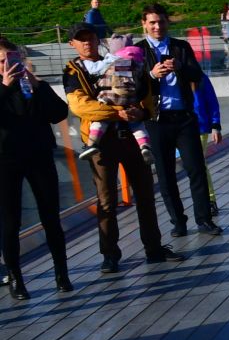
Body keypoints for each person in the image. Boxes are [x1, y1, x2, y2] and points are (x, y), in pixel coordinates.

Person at [61, 25, 181, 273]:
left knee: (146, 195)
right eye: (81, 40)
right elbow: (81, 106)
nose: (87, 43)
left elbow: (145, 92)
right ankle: (110, 254)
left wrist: (143, 110)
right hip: (100, 144)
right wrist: (119, 112)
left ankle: (154, 248)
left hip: (131, 138)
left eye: (91, 38)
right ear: (71, 43)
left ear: (98, 40)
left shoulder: (122, 60)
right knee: (106, 200)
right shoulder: (73, 71)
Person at [135, 4, 221, 237]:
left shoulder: (180, 47)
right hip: (157, 120)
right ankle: (178, 222)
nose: (157, 26)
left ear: (167, 23)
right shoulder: (138, 51)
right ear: (144, 24)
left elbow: (197, 76)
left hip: (184, 117)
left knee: (196, 169)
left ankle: (204, 219)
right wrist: (152, 74)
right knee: (165, 174)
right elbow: (134, 87)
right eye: (152, 22)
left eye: (161, 22)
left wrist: (180, 67)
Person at [0, 37, 75, 298]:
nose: (7, 65)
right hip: (6, 160)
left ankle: (61, 273)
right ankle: (16, 279)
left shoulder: (32, 86)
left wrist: (36, 84)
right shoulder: (4, 88)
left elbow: (59, 113)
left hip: (39, 156)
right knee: (10, 222)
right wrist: (5, 87)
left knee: (51, 217)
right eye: (1, 61)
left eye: (11, 60)